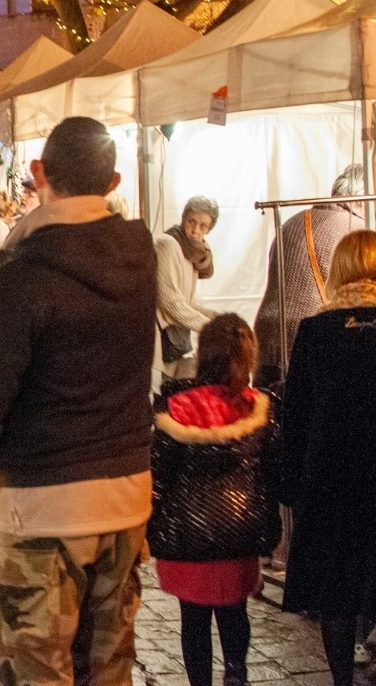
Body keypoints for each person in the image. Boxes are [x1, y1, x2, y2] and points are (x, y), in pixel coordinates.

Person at [0, 116, 157, 685]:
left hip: (47, 502)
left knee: (38, 670)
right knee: (108, 671)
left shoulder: (22, 274)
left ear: (38, 174)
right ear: (112, 182)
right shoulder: (141, 260)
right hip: (128, 496)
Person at [150, 314, 279, 686]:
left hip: (187, 538)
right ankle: (236, 673)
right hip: (240, 540)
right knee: (235, 613)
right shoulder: (260, 409)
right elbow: (272, 475)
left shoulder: (176, 407)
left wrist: (148, 525)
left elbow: (160, 477)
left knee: (193, 621)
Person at [281, 229, 376, 686]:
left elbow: (295, 415)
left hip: (330, 486)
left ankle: (342, 679)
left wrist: (289, 488)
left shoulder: (316, 332)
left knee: (336, 595)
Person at [253, 164, 364, 388]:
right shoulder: (355, 229)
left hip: (266, 331)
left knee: (272, 411)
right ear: (360, 200)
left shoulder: (292, 221)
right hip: (309, 332)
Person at [155, 196, 219, 384]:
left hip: (176, 340)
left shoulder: (194, 252)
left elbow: (187, 301)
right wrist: (210, 327)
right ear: (183, 218)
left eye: (203, 225)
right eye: (192, 221)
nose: (195, 230)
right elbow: (170, 301)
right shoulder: (168, 243)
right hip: (159, 341)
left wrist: (216, 317)